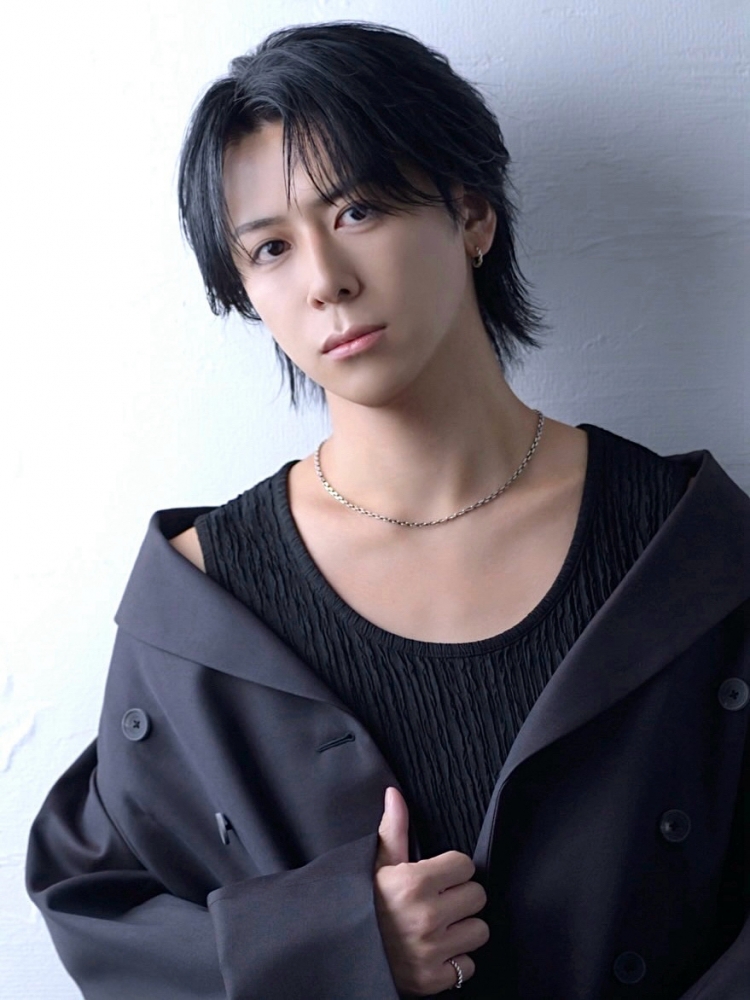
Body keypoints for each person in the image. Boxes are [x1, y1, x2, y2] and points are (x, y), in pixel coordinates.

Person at [26, 20, 749, 1000]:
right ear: (245, 291)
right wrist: (337, 942)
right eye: (271, 247)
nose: (325, 280)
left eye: (358, 209)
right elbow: (100, 912)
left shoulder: (690, 549)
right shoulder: (203, 602)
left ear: (472, 214)